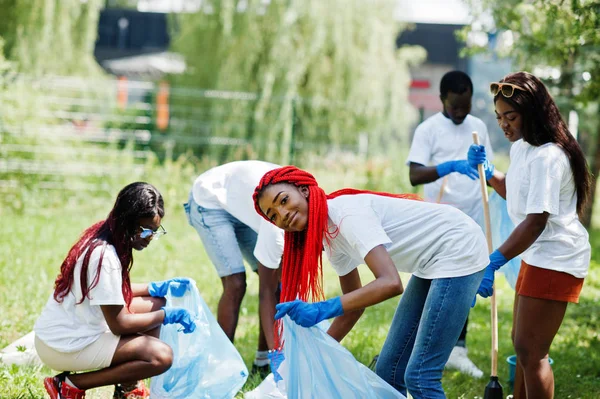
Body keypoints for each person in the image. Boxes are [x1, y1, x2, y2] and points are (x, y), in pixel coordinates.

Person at [253, 166, 489, 398]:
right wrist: (315, 355)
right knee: (389, 370)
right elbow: (354, 308)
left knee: (420, 377)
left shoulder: (345, 215)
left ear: (304, 190)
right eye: (273, 215)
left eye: (283, 200)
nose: (282, 214)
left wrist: (321, 309)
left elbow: (390, 283)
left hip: (458, 247)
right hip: (431, 260)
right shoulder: (329, 233)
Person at [467, 71, 592, 399]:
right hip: (537, 254)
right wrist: (490, 173)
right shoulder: (523, 148)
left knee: (532, 350)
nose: (504, 124)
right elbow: (518, 194)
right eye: (498, 117)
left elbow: (536, 219)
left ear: (532, 113)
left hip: (557, 257)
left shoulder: (549, 156)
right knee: (521, 343)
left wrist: (494, 260)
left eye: (511, 116)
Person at [34, 182, 197, 399]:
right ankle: (71, 385)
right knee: (161, 356)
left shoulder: (106, 233)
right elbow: (119, 324)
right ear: (128, 221)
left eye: (155, 231)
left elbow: (111, 291)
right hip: (63, 346)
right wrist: (166, 317)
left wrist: (156, 287)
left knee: (157, 300)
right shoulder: (105, 256)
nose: (150, 237)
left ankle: (127, 388)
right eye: (146, 230)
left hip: (69, 329)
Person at [406, 70, 494, 378]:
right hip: (438, 217)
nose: (460, 112)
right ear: (442, 99)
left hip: (472, 215)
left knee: (464, 282)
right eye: (455, 106)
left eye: (466, 106)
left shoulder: (478, 126)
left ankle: (458, 349)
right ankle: (418, 347)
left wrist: (487, 168)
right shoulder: (428, 129)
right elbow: (414, 175)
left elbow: (489, 174)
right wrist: (450, 166)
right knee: (431, 281)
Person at [184, 160, 284, 377]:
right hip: (210, 199)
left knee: (277, 284)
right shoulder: (277, 223)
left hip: (243, 206)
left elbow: (274, 285)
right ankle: (219, 367)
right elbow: (267, 289)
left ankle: (262, 362)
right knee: (236, 283)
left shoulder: (288, 215)